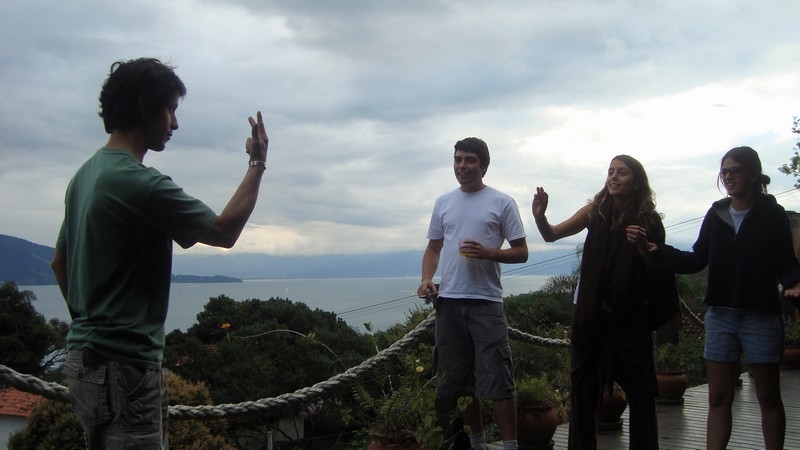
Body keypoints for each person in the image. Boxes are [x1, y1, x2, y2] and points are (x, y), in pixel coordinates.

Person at [49, 57, 269, 449]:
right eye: (171, 110)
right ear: (145, 106)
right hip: (125, 371)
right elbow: (224, 230)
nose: (175, 123)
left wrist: (93, 327)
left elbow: (59, 262)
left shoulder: (84, 176)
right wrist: (257, 163)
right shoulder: (138, 183)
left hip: (82, 362)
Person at [649, 146, 800, 450]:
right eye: (724, 171)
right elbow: (697, 259)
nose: (728, 176)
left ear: (754, 175)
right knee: (718, 397)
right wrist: (658, 251)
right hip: (720, 315)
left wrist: (794, 283)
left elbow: (786, 261)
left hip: (760, 315)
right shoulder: (717, 213)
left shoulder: (772, 214)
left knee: (768, 396)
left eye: (735, 171)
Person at [532, 155, 667, 450]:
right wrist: (540, 216)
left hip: (630, 320)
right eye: (610, 172)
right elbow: (551, 234)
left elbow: (657, 270)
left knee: (641, 394)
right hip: (590, 318)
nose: (614, 177)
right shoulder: (595, 212)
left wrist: (644, 247)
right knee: (583, 395)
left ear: (637, 181)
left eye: (622, 173)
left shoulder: (649, 221)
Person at [417, 137, 528, 450]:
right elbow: (434, 247)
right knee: (458, 382)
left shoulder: (502, 202)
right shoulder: (443, 202)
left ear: (483, 166)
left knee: (499, 380)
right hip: (448, 303)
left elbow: (521, 252)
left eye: (469, 160)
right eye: (458, 159)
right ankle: (478, 443)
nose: (462, 166)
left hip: (486, 303)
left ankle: (509, 446)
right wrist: (427, 278)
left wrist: (488, 253)